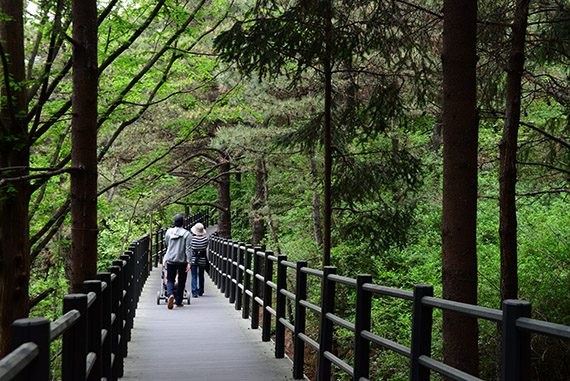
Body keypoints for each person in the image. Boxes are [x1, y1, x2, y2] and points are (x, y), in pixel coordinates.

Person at [164, 214, 191, 309]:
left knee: (170, 279)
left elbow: (167, 243)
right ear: (183, 223)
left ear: (174, 222)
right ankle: (178, 301)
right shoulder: (187, 234)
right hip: (182, 261)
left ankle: (170, 294)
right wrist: (189, 262)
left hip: (170, 259)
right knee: (181, 280)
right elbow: (188, 249)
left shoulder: (169, 232)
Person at [190, 222, 208, 297]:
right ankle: (201, 291)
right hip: (202, 259)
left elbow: (191, 247)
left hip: (194, 258)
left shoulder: (192, 239)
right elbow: (206, 247)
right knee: (201, 275)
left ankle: (194, 291)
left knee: (194, 276)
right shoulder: (205, 239)